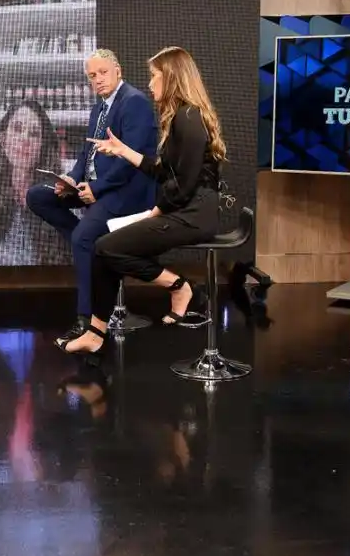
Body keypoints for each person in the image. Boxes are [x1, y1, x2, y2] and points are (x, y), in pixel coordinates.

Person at [57, 46, 225, 355]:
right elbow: (162, 171)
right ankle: (95, 333)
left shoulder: (189, 118)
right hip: (182, 209)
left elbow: (183, 187)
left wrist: (154, 212)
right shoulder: (180, 117)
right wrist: (124, 151)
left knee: (106, 247)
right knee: (104, 247)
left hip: (193, 215)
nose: (149, 83)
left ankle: (179, 286)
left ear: (171, 78)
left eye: (154, 76)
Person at [25, 49, 158, 343]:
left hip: (125, 193)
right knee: (37, 196)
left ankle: (86, 320)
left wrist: (96, 190)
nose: (97, 80)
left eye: (102, 73)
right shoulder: (99, 107)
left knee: (82, 237)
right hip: (95, 188)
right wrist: (72, 179)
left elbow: (130, 160)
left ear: (118, 70)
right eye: (92, 76)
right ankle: (95, 247)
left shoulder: (134, 102)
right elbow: (87, 154)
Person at [0, 101, 70, 266]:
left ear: (42, 147)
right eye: (17, 128)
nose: (25, 139)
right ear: (3, 139)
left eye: (34, 134)